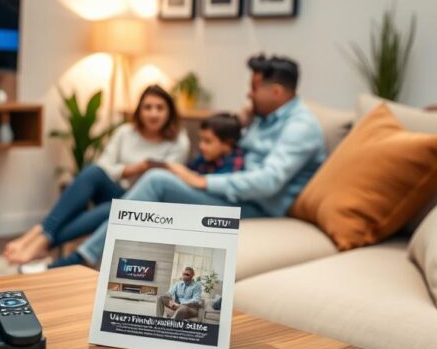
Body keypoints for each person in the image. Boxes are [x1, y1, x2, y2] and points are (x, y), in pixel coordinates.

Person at [50, 54, 326, 268]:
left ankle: (78, 256)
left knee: (156, 180)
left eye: (254, 88)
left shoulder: (300, 127)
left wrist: (203, 181)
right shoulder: (263, 119)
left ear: (276, 92)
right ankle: (70, 250)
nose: (248, 95)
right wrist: (241, 121)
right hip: (234, 195)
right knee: (130, 184)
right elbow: (235, 150)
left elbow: (268, 182)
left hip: (257, 208)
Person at [4, 85, 189, 265]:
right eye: (147, 107)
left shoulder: (178, 141)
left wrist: (135, 170)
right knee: (93, 172)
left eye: (160, 108)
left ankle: (41, 237)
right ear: (139, 110)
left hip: (143, 203)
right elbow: (104, 166)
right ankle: (43, 236)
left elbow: (166, 181)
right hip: (116, 189)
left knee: (113, 208)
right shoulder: (125, 132)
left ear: (169, 112)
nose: (153, 113)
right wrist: (136, 168)